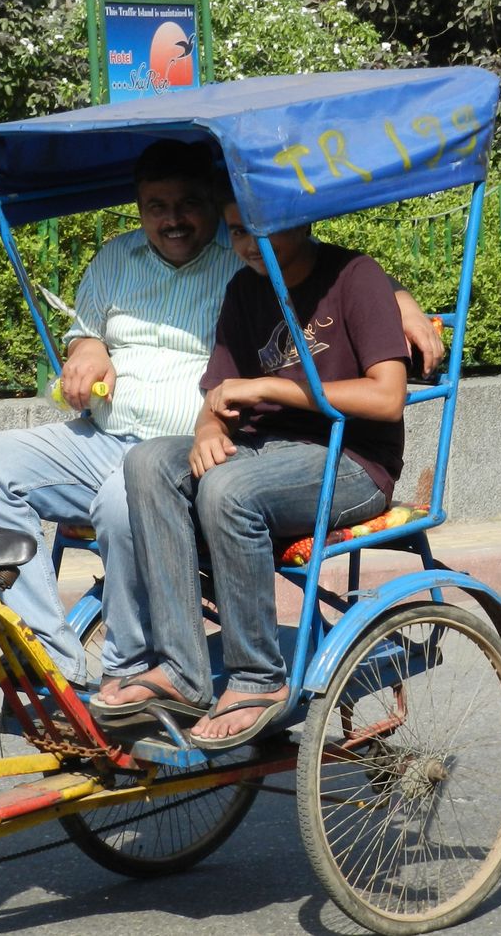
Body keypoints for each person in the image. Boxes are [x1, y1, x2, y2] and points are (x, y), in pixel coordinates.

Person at [0, 142, 441, 697]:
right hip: (128, 437)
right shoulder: (193, 270)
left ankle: (158, 671)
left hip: (314, 453)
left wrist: (399, 296)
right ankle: (62, 659)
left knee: (184, 487)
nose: (173, 219)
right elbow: (181, 368)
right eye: (155, 206)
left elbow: (337, 275)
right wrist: (90, 347)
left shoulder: (257, 256)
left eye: (189, 204)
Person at [94, 188, 408, 750]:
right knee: (144, 462)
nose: (245, 246)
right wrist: (210, 427)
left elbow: (387, 397)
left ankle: (258, 678)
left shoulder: (355, 275)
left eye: (256, 230)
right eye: (235, 232)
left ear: (300, 221)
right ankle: (181, 671)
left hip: (351, 461)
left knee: (227, 489)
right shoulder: (245, 289)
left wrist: (273, 386)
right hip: (266, 451)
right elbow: (218, 390)